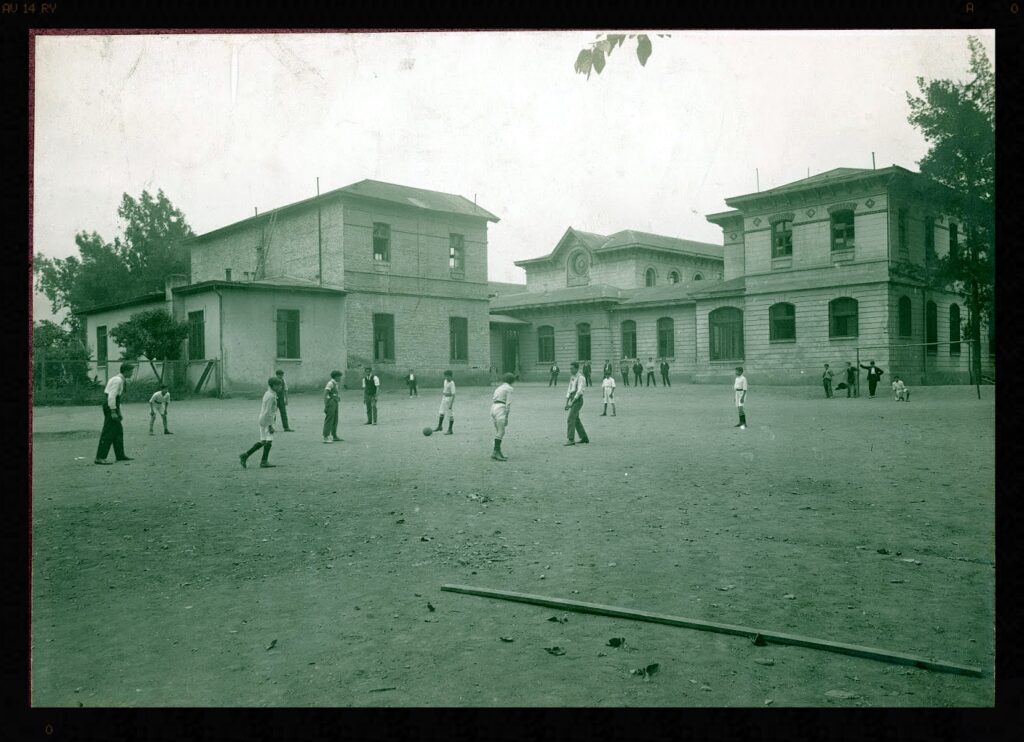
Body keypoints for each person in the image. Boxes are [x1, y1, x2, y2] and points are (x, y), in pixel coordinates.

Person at [95, 362, 135, 464]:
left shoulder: (119, 379)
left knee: (118, 431)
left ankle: (120, 455)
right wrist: (113, 411)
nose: (132, 373)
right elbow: (111, 396)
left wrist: (119, 411)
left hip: (113, 405)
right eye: (131, 371)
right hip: (110, 405)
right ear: (125, 371)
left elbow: (117, 398)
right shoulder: (117, 380)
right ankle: (100, 457)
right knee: (108, 431)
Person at [240, 376, 283, 468]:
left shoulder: (269, 393)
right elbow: (268, 412)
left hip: (262, 418)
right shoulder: (271, 396)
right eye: (278, 385)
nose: (280, 387)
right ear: (273, 386)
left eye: (281, 385)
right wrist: (270, 425)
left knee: (263, 441)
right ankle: (264, 461)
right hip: (267, 420)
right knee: (269, 440)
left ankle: (245, 455)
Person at [564, 361, 590, 446]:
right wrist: (567, 401)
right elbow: (569, 388)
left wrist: (572, 403)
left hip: (577, 400)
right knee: (576, 419)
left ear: (576, 368)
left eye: (572, 368)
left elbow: (579, 392)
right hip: (572, 398)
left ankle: (571, 439)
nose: (570, 370)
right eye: (570, 368)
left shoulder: (581, 378)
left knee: (571, 418)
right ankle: (584, 437)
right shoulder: (572, 377)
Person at [490, 372, 515, 461]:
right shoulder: (509, 388)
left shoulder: (499, 387)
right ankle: (495, 452)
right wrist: (507, 417)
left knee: (498, 432)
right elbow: (508, 403)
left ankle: (498, 451)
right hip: (500, 408)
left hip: (493, 408)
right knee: (501, 432)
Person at [323, 370, 343, 443]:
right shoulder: (330, 383)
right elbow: (325, 394)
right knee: (329, 419)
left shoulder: (335, 383)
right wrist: (326, 405)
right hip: (331, 403)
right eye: (339, 377)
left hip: (335, 402)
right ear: (336, 377)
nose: (340, 378)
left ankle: (334, 435)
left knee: (335, 419)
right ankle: (325, 437)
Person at [434, 370, 456, 435]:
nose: (446, 378)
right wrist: (444, 394)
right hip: (444, 398)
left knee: (450, 414)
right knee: (441, 412)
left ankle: (450, 430)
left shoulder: (452, 383)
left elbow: (453, 395)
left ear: (451, 376)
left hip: (449, 399)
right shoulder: (445, 381)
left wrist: (451, 404)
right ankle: (440, 426)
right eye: (445, 376)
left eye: (448, 376)